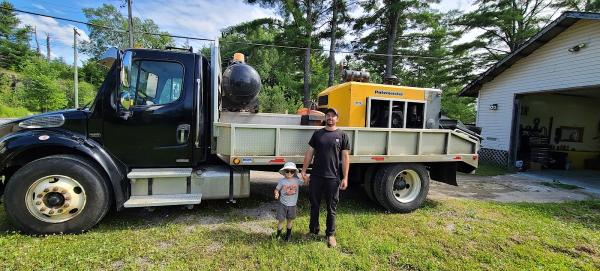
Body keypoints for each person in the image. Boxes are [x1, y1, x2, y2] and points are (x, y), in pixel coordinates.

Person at [301, 108, 350, 248]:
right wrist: (304, 171)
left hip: (333, 178)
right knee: (314, 205)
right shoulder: (318, 134)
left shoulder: (342, 135)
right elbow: (309, 153)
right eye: (328, 115)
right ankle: (313, 231)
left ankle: (330, 234)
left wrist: (345, 177)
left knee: (331, 207)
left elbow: (345, 157)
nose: (330, 118)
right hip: (316, 176)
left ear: (337, 118)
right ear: (325, 118)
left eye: (333, 116)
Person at [274, 162, 305, 242]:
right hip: (282, 204)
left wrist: (306, 177)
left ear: (294, 172)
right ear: (284, 172)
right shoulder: (282, 181)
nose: (289, 173)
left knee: (290, 220)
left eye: (292, 171)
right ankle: (278, 235)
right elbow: (277, 189)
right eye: (287, 171)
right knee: (281, 220)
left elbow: (305, 182)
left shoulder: (297, 181)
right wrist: (276, 193)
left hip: (292, 205)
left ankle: (288, 235)